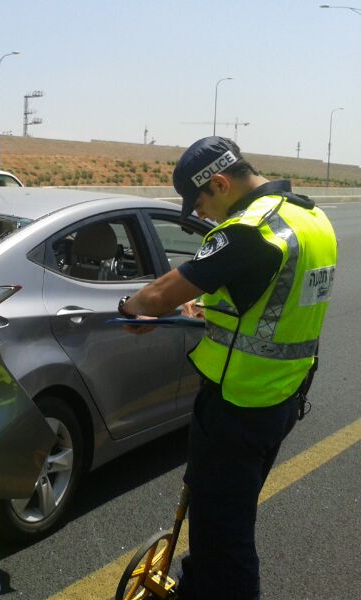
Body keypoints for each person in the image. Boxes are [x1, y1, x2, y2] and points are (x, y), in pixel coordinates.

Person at [117, 136, 337, 599]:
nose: (201, 216)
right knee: (224, 515)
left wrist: (130, 306)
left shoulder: (248, 231)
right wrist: (206, 308)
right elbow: (270, 301)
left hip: (236, 406)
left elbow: (157, 296)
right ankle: (197, 586)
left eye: (200, 204)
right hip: (283, 397)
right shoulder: (310, 218)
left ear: (219, 183)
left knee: (225, 537)